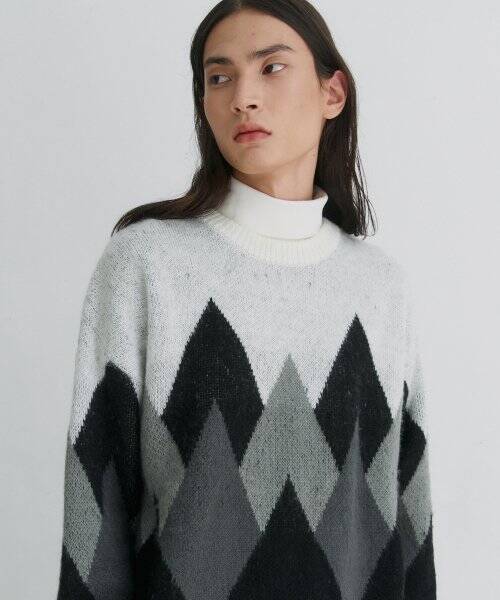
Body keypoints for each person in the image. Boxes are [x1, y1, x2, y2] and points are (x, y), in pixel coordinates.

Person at [55, 1, 437, 599]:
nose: (243, 98)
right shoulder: (146, 265)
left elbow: (409, 525)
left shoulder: (380, 287)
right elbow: (95, 510)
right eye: (219, 77)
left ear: (332, 92)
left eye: (271, 68)